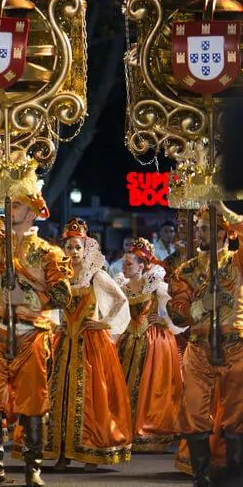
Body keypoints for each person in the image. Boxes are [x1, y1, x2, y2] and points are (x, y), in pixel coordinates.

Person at [0, 179, 72, 487]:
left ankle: (32, 467)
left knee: (32, 401)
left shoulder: (48, 253)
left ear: (34, 212)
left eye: (16, 206)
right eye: (9, 205)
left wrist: (27, 298)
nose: (9, 210)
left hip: (31, 334)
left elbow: (63, 295)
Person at [42, 219, 132, 469]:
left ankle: (91, 450)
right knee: (60, 393)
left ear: (85, 249)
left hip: (91, 343)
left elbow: (120, 300)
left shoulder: (96, 275)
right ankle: (63, 452)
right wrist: (54, 324)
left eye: (77, 248)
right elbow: (49, 304)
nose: (72, 252)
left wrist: (104, 323)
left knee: (93, 395)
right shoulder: (61, 276)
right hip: (66, 341)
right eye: (68, 247)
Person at [169, 204, 243, 486]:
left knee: (237, 413)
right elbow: (177, 312)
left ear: (226, 234)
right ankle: (201, 477)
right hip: (199, 346)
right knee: (193, 410)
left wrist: (224, 210)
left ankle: (236, 474)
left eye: (209, 228)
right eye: (200, 228)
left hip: (235, 345)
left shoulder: (237, 262)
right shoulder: (186, 270)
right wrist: (199, 306)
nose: (202, 233)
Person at [114, 238, 184, 453]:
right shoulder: (122, 286)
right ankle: (124, 430)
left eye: (129, 264)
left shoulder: (155, 285)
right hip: (128, 339)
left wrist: (167, 322)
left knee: (149, 387)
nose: (124, 267)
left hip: (152, 341)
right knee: (124, 385)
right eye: (124, 263)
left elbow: (178, 307)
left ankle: (148, 433)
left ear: (141, 266)